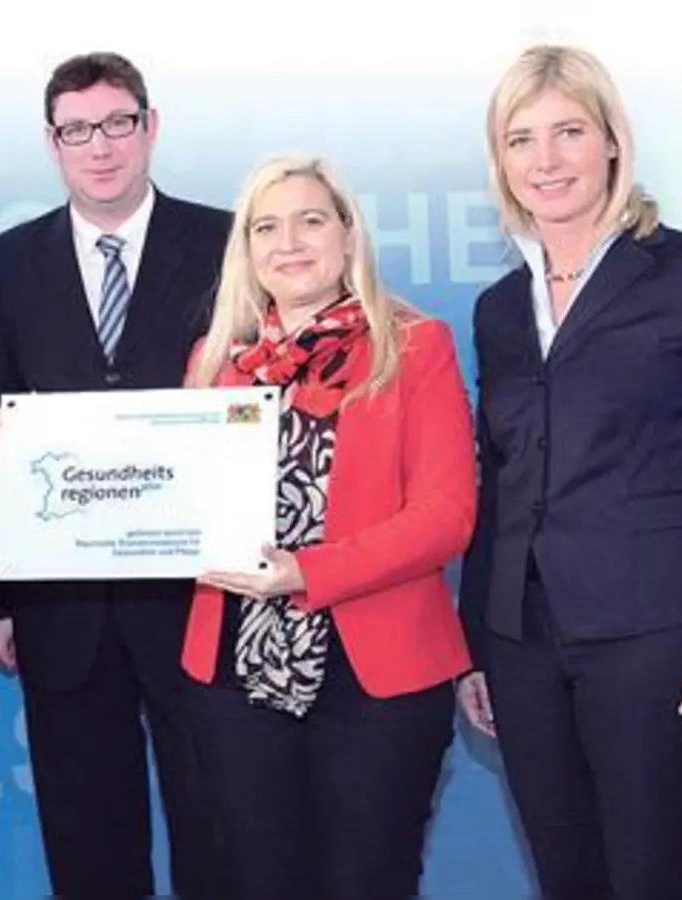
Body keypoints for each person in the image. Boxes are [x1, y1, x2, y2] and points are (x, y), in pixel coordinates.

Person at [456, 45, 682, 899]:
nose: (546, 159)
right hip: (523, 648)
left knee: (660, 880)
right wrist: (475, 646)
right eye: (521, 138)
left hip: (663, 642)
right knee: (570, 882)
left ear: (612, 141)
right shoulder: (498, 309)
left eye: (568, 131)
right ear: (500, 160)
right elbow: (498, 483)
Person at [0, 51, 230, 898]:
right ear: (53, 144)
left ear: (150, 128)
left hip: (199, 595)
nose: (101, 147)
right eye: (78, 130)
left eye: (118, 124)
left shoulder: (226, 242)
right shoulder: (9, 261)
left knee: (218, 834)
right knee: (87, 844)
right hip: (62, 606)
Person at [180, 154, 478, 899]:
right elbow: (171, 498)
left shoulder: (416, 346)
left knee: (368, 882)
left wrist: (306, 572)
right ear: (246, 251)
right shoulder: (217, 361)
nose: (290, 242)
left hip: (377, 678)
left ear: (348, 236)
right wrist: (45, 458)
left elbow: (447, 516)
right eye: (267, 227)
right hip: (235, 676)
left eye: (311, 220)